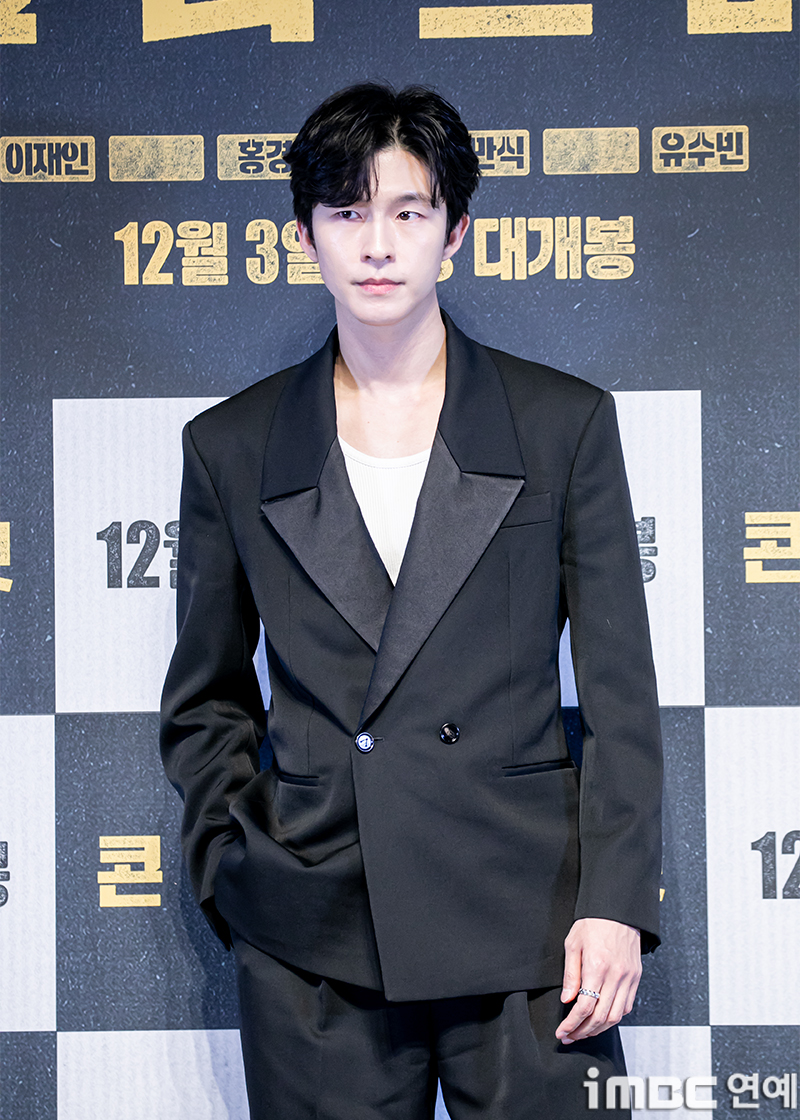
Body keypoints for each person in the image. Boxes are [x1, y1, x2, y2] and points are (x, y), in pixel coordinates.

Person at [160, 83, 662, 1119]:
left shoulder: (560, 423)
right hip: (314, 929)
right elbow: (205, 698)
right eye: (347, 212)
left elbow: (620, 697)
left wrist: (613, 903)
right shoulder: (232, 445)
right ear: (304, 236)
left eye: (408, 211)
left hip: (529, 920)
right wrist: (235, 865)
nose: (378, 244)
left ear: (455, 231)